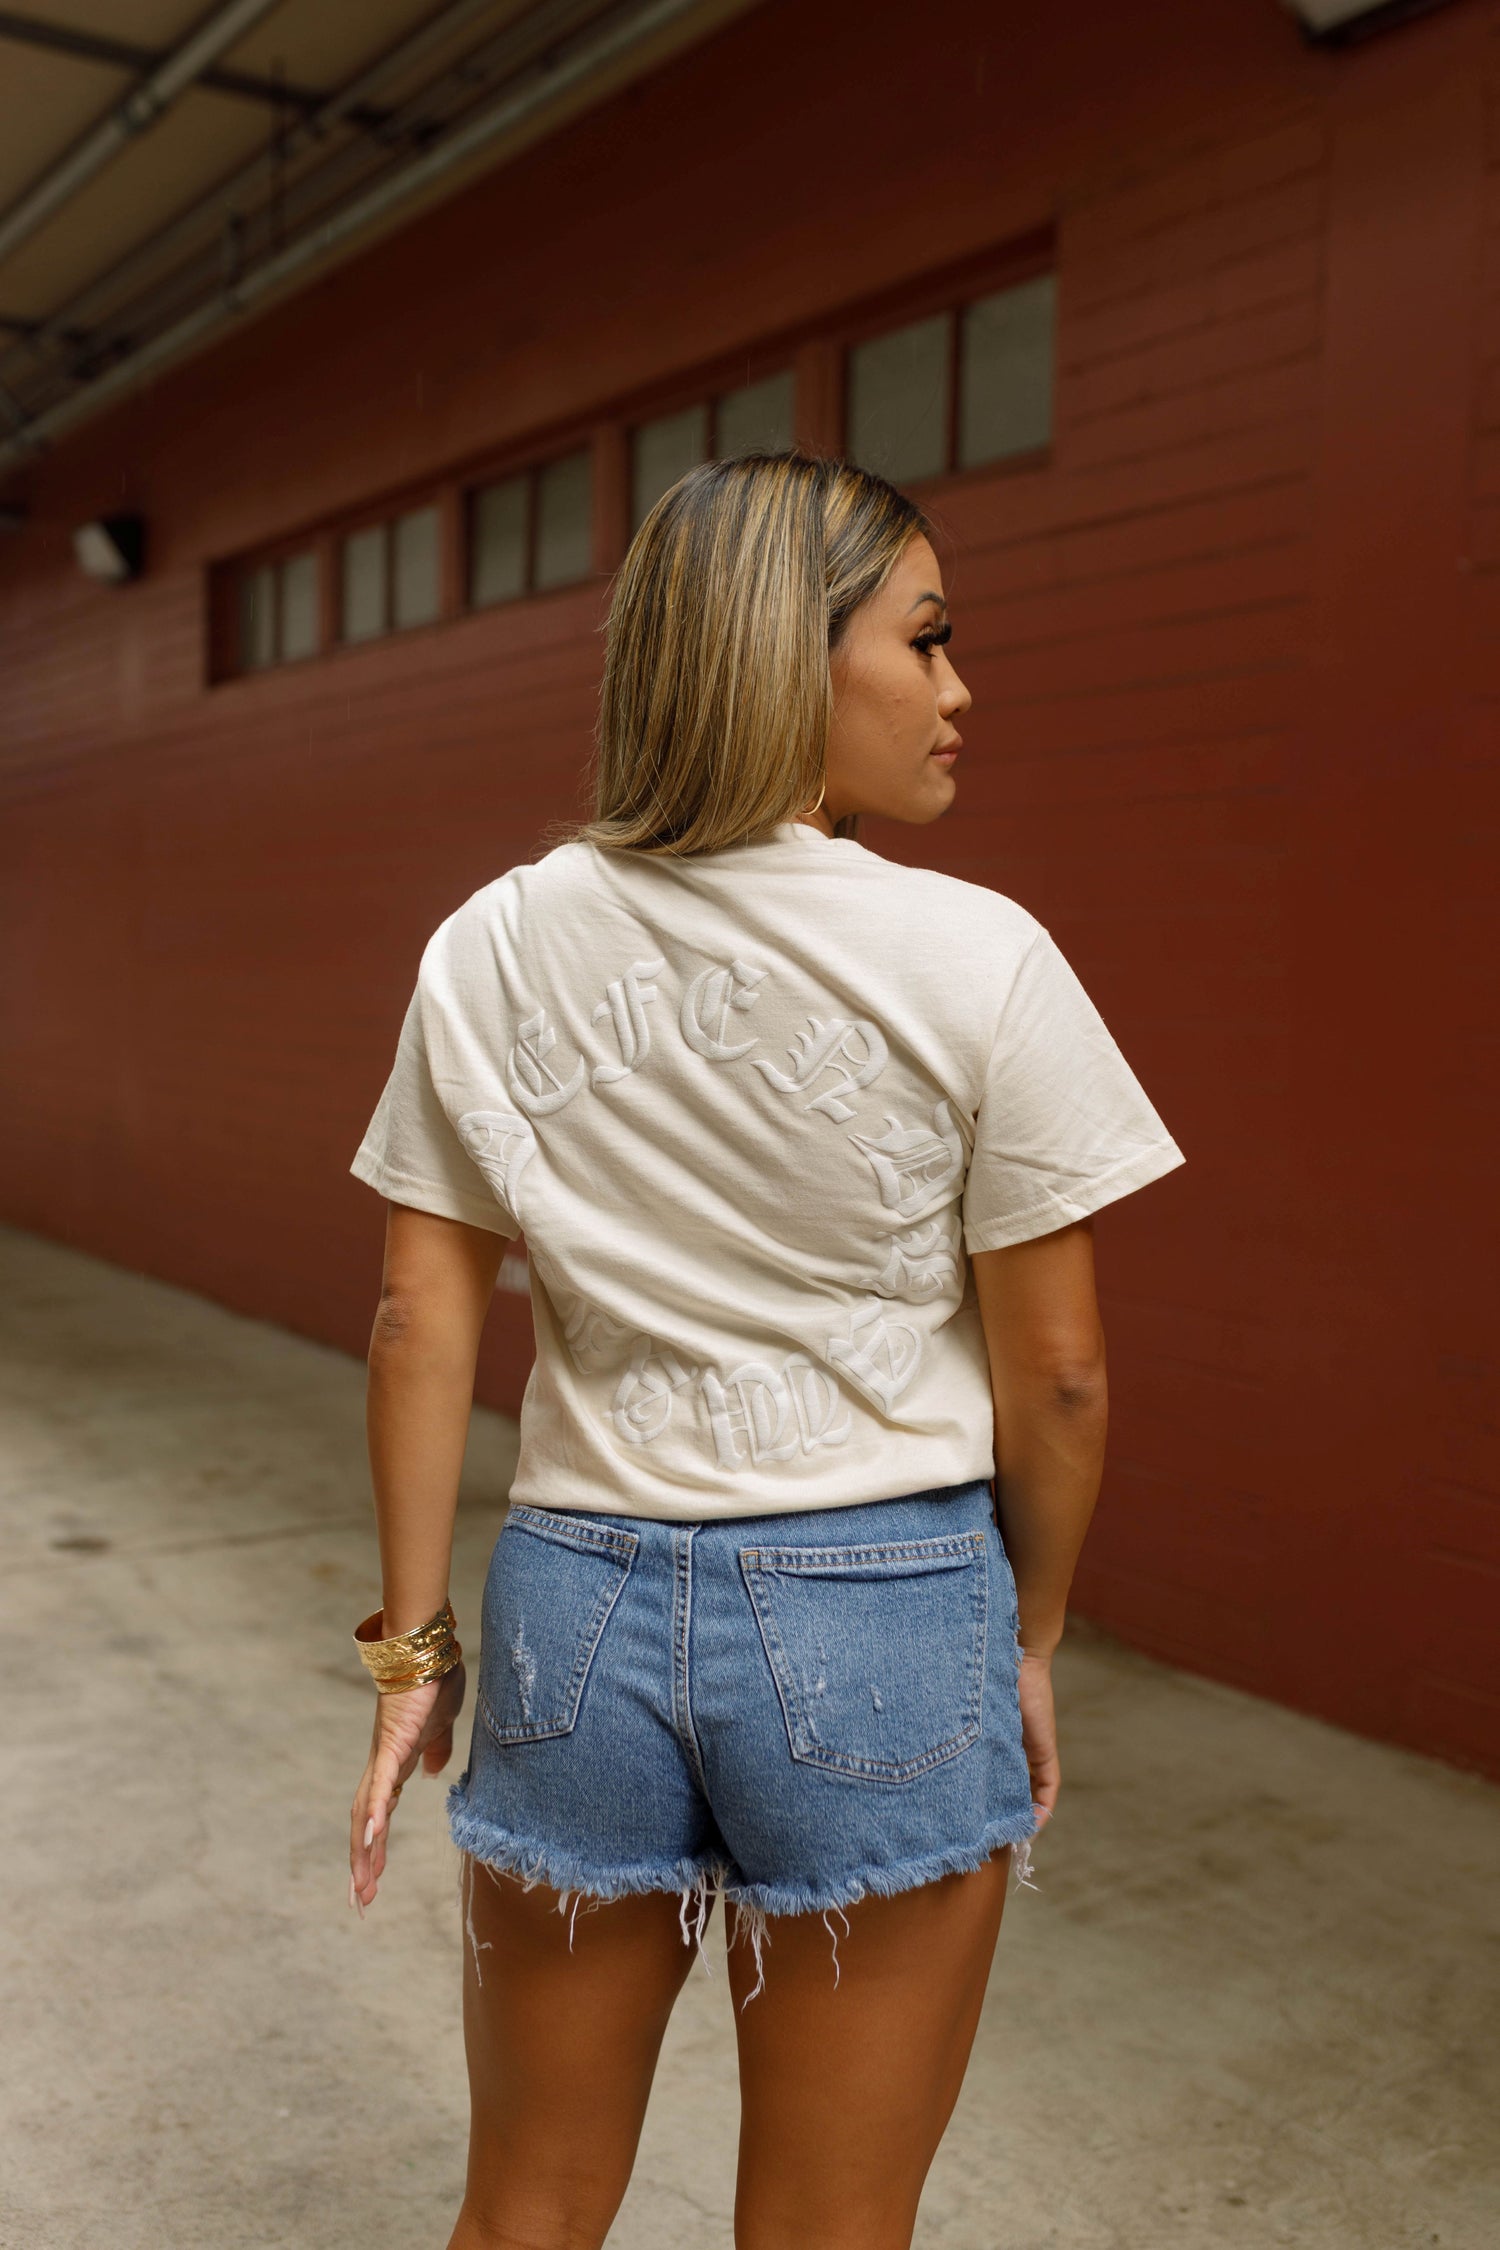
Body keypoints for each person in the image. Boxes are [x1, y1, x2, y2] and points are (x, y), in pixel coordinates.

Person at [345, 450, 1185, 2250]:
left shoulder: (493, 940)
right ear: (789, 658)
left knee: (524, 2206)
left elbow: (420, 1315)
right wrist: (1030, 1635)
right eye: (927, 639)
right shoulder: (982, 956)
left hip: (575, 1605)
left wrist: (414, 1647)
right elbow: (1060, 1375)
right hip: (886, 1611)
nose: (962, 689)